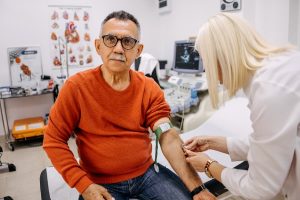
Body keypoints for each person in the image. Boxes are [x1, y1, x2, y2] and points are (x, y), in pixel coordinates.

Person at [43, 10, 215, 200]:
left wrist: (198, 189)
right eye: (110, 39)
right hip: (99, 180)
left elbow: (167, 136)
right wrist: (84, 185)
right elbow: (53, 140)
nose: (118, 49)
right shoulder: (76, 88)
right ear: (98, 46)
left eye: (127, 42)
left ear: (138, 50)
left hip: (147, 174)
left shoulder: (148, 87)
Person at [183, 13, 300, 200]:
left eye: (207, 63)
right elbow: (269, 143)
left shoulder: (270, 90)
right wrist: (215, 143)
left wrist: (209, 166)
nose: (208, 71)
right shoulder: (277, 69)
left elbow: (260, 189)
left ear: (221, 57)